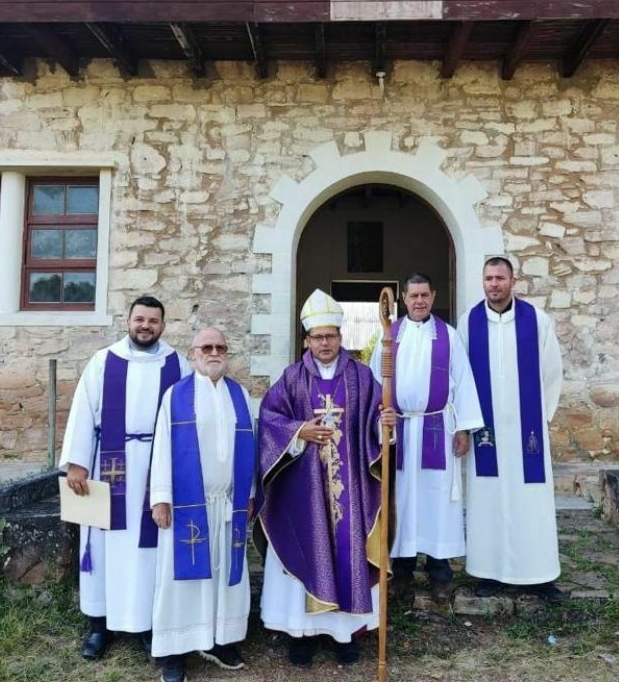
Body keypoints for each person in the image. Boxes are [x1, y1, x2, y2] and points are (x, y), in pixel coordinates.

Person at [255, 289, 396, 668]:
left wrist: (385, 424)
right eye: (318, 337)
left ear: (340, 335)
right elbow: (269, 419)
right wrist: (299, 431)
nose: (325, 343)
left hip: (352, 489)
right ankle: (300, 636)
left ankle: (344, 635)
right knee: (307, 546)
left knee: (346, 549)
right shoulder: (292, 378)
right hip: (303, 489)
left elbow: (377, 421)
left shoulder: (363, 377)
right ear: (306, 340)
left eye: (331, 335)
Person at [59, 296, 190, 659]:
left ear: (163, 325)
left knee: (149, 548)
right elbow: (83, 412)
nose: (145, 326)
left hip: (157, 467)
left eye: (153, 321)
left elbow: (187, 416)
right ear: (128, 321)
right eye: (139, 319)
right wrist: (77, 462)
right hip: (109, 465)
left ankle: (148, 623)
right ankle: (98, 626)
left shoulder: (177, 363)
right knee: (102, 546)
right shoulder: (104, 361)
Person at [149, 327, 256, 682]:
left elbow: (249, 449)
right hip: (187, 507)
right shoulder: (176, 396)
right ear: (193, 353)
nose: (214, 352)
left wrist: (250, 494)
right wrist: (161, 499)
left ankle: (219, 639)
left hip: (228, 505)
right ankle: (174, 652)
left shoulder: (239, 394)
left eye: (220, 347)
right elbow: (162, 449)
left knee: (225, 574)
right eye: (207, 347)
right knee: (182, 582)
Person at [370, 272, 483, 603]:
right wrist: (379, 419)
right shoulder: (389, 336)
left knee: (436, 503)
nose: (419, 301)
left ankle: (440, 574)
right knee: (401, 502)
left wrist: (463, 427)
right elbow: (376, 381)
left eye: (424, 295)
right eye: (413, 295)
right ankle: (402, 573)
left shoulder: (448, 336)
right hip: (401, 430)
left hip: (437, 429)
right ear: (404, 298)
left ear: (433, 296)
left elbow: (462, 381)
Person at [459, 257, 565, 602]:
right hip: (486, 432)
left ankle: (538, 573)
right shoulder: (468, 322)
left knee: (530, 501)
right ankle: (489, 572)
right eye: (488, 278)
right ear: (482, 281)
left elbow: (552, 372)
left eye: (500, 278)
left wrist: (540, 418)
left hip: (526, 431)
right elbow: (459, 378)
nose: (494, 284)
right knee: (487, 499)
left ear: (512, 281)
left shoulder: (536, 321)